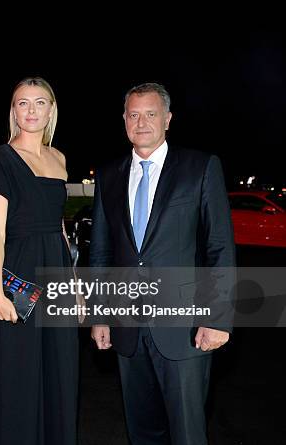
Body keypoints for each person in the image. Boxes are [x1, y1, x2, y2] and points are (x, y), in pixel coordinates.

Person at [89, 82, 236, 445]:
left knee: (187, 432)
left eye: (151, 114)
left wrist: (217, 318)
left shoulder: (200, 167)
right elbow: (102, 253)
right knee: (142, 431)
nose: (141, 122)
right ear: (124, 120)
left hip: (185, 330)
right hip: (128, 329)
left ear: (167, 119)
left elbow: (219, 246)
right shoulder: (109, 176)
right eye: (133, 114)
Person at [0, 77, 79, 444]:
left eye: (40, 102)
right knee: (17, 375)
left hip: (56, 272)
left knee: (59, 370)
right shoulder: (1, 159)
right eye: (23, 103)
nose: (32, 110)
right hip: (18, 274)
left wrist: (75, 284)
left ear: (51, 110)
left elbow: (61, 229)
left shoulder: (60, 158)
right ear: (13, 111)